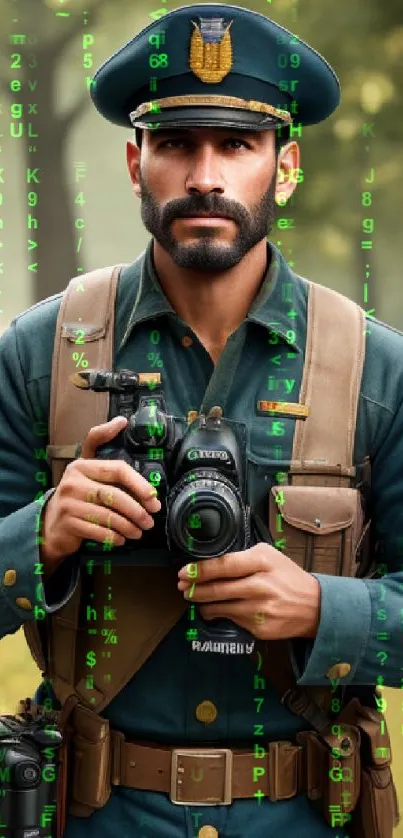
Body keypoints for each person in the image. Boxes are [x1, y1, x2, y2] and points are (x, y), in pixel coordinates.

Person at [0, 4, 402, 838]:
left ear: (284, 168)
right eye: (176, 145)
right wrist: (43, 533)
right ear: (133, 162)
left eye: (237, 145)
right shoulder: (41, 355)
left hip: (300, 814)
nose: (204, 176)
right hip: (93, 810)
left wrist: (321, 610)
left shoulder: (375, 374)